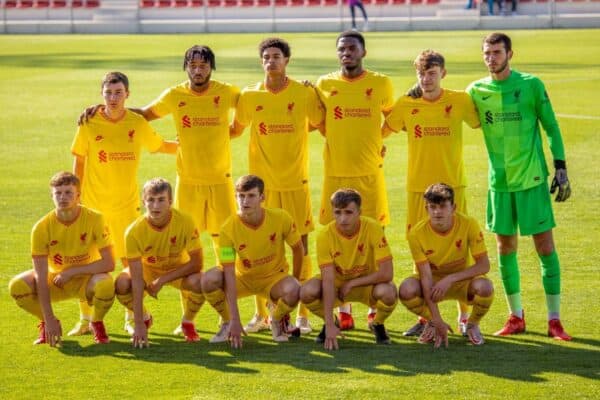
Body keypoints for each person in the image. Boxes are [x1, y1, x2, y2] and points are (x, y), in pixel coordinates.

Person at [79, 46, 239, 336]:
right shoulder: (175, 95)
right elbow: (142, 115)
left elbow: (257, 101)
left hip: (221, 184)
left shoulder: (227, 92)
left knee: (225, 246)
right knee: (182, 251)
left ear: (211, 68)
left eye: (203, 65)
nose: (198, 69)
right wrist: (103, 109)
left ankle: (246, 316)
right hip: (188, 184)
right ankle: (187, 320)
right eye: (193, 65)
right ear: (186, 68)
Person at [467, 32, 572, 340]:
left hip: (532, 180)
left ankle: (554, 320)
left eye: (497, 52)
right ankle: (516, 317)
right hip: (499, 184)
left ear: (510, 54)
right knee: (505, 247)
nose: (491, 58)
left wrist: (561, 166)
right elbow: (445, 102)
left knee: (545, 247)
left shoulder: (531, 85)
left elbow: (551, 125)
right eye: (487, 53)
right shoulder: (476, 90)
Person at [69, 71, 177, 337]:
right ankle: (86, 318)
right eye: (108, 93)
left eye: (118, 93)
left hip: (127, 208)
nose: (113, 98)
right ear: (101, 94)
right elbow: (79, 160)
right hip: (94, 208)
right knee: (87, 263)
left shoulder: (136, 123)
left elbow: (159, 145)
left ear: (128, 94)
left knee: (131, 266)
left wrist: (188, 145)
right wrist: (76, 195)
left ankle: (133, 316)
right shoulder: (89, 122)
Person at [382, 50, 481, 338]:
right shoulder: (406, 104)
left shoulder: (460, 101)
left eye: (432, 73)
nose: (426, 79)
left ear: (443, 74)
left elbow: (479, 122)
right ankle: (428, 318)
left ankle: (464, 317)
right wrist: (378, 147)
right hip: (418, 189)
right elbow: (382, 130)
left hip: (453, 187)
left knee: (459, 248)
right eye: (421, 74)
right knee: (420, 250)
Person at [230, 37, 324, 335]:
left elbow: (322, 122)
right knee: (256, 250)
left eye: (276, 56)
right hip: (262, 188)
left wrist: (318, 92)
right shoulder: (249, 96)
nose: (271, 61)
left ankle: (302, 315)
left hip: (296, 183)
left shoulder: (302, 92)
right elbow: (234, 129)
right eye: (266, 57)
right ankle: (262, 315)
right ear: (261, 62)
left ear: (287, 60)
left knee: (302, 248)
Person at [315, 30, 394, 330]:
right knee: (338, 238)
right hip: (336, 174)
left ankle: (373, 306)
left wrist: (375, 140)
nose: (346, 53)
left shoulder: (381, 83)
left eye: (351, 48)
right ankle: (344, 309)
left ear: (363, 52)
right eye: (341, 49)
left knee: (372, 238)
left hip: (369, 176)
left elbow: (392, 116)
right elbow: (322, 123)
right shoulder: (325, 84)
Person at [8, 172, 115, 346]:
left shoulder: (95, 218)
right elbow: (40, 276)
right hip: (56, 281)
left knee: (106, 284)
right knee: (17, 286)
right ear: (51, 196)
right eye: (58, 193)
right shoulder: (41, 228)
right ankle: (46, 324)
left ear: (78, 196)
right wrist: (48, 318)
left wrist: (72, 271)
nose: (62, 197)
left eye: (68, 193)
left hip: (86, 281)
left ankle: (96, 322)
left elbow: (109, 263)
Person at [201, 175, 304, 348]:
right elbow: (227, 270)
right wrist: (235, 318)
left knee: (294, 289)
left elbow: (298, 249)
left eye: (251, 196)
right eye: (240, 196)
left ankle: (276, 320)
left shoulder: (281, 218)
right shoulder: (227, 229)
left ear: (262, 197)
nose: (245, 201)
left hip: (273, 280)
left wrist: (295, 280)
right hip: (243, 279)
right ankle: (227, 323)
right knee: (208, 279)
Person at [398, 183, 494, 348]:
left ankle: (472, 324)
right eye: (433, 207)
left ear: (454, 207)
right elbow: (426, 277)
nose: (437, 212)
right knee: (406, 289)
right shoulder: (416, 234)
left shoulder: (469, 224)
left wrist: (450, 279)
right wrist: (436, 319)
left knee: (485, 287)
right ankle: (432, 323)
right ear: (426, 208)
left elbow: (484, 265)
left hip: (462, 282)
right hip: (433, 284)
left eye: (443, 206)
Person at [300, 188, 397, 350]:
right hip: (337, 287)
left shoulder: (373, 227)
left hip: (367, 286)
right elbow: (329, 280)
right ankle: (331, 322)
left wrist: (352, 283)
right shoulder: (324, 235)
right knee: (306, 291)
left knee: (389, 292)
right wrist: (329, 323)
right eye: (337, 212)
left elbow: (387, 273)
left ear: (360, 211)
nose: (343, 218)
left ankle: (377, 324)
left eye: (348, 212)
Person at [115, 178, 205, 346]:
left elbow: (197, 263)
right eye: (151, 200)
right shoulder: (133, 232)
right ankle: (145, 317)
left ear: (170, 201)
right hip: (149, 270)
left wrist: (163, 280)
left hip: (179, 267)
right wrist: (139, 323)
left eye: (161, 200)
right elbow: (135, 277)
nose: (155, 206)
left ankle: (188, 322)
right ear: (143, 201)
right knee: (121, 284)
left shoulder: (185, 220)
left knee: (203, 282)